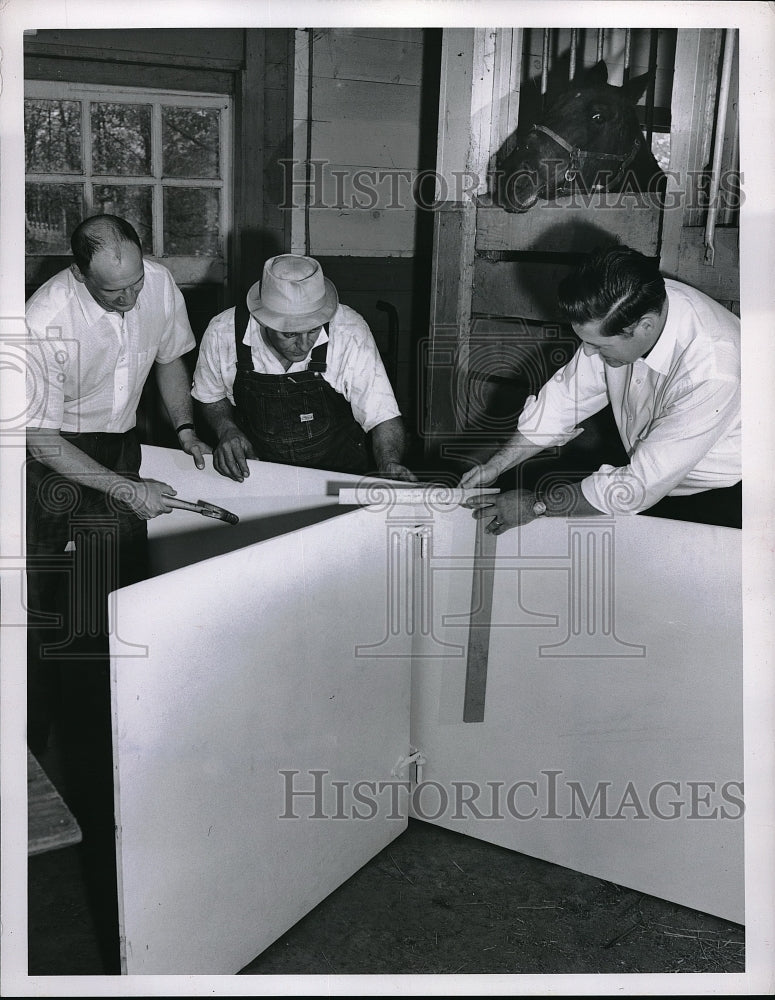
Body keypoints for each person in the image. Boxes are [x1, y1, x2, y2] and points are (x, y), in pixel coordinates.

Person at [25, 213, 210, 971]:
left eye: (135, 281)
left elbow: (170, 357)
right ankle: (54, 765)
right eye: (113, 292)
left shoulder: (156, 284)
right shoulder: (42, 318)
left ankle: (119, 742)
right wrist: (123, 488)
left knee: (120, 601)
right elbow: (35, 434)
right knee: (68, 616)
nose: (130, 299)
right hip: (58, 459)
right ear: (78, 274)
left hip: (122, 441)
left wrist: (189, 426)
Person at [460, 245, 741, 532]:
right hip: (651, 472)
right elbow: (566, 398)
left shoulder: (713, 370)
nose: (590, 353)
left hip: (724, 496)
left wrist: (535, 505)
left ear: (645, 326)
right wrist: (497, 465)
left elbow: (639, 485)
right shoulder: (632, 303)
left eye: (599, 345)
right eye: (586, 342)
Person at [192, 253, 417, 482]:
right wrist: (226, 429)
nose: (304, 345)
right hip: (260, 474)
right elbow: (210, 395)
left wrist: (389, 462)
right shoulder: (223, 332)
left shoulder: (348, 331)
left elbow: (382, 414)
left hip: (339, 475)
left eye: (313, 330)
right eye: (290, 334)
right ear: (262, 319)